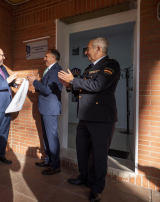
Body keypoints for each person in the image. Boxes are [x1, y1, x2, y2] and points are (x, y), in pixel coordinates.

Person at [58, 37, 120, 202]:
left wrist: (74, 81)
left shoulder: (111, 65)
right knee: (82, 150)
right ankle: (83, 177)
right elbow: (81, 90)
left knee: (99, 155)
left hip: (101, 119)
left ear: (98, 49)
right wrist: (69, 86)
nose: (85, 52)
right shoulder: (88, 68)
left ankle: (96, 188)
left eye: (87, 49)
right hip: (84, 117)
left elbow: (97, 86)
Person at [27, 49, 63, 175]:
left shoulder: (56, 70)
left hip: (50, 109)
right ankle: (49, 160)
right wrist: (35, 85)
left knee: (51, 137)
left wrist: (34, 82)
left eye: (46, 56)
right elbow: (46, 88)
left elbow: (47, 90)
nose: (44, 58)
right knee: (47, 136)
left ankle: (55, 166)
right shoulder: (50, 69)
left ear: (53, 57)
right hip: (46, 108)